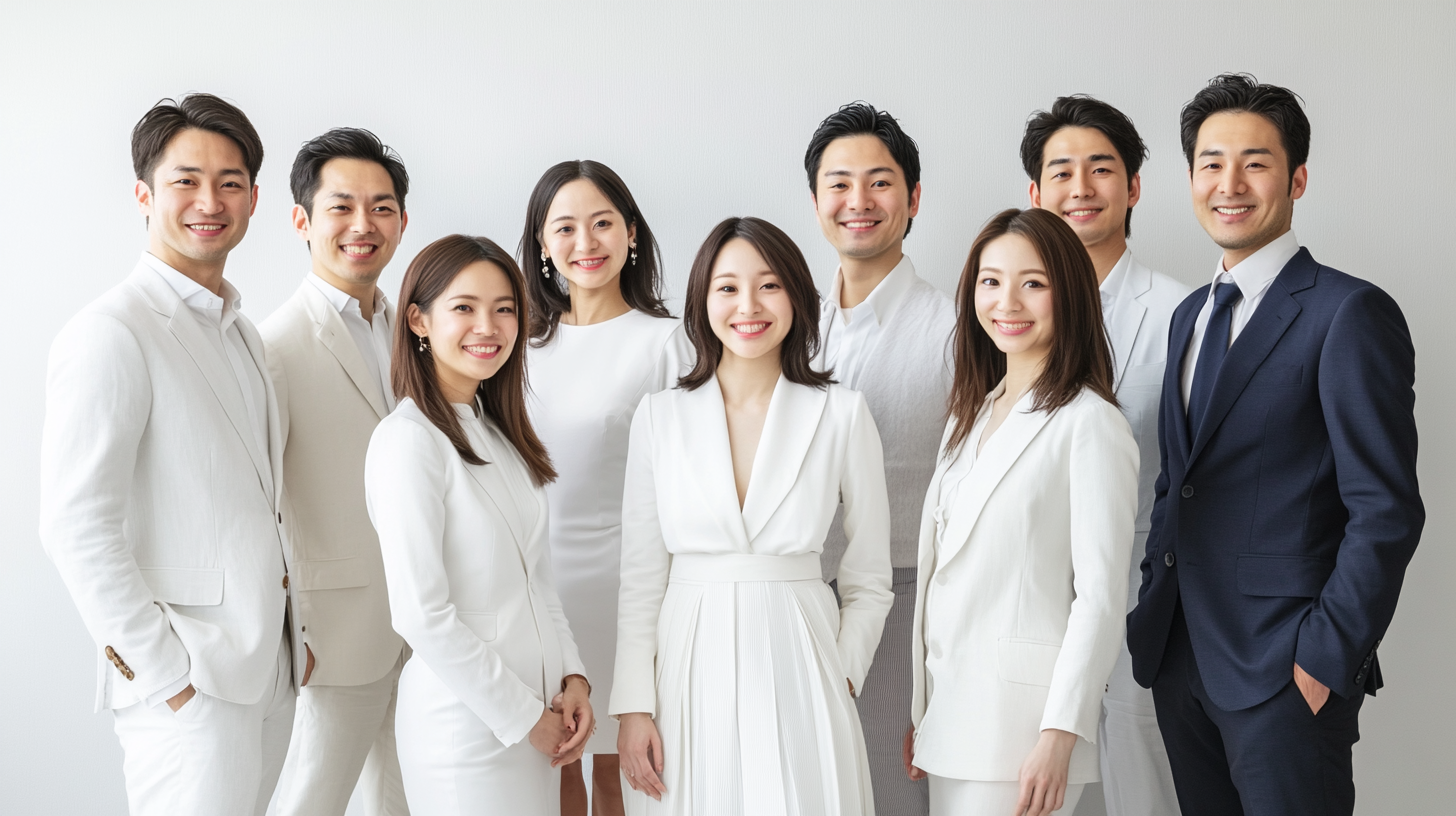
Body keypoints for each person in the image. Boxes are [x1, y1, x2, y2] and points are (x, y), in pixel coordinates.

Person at [1126, 73, 1424, 816]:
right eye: (1210, 163)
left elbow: (1385, 509)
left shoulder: (1347, 312)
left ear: (1296, 178)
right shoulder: (1189, 314)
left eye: (1255, 163)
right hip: (1180, 657)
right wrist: (1149, 613)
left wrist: (1325, 656)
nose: (1229, 183)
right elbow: (1179, 482)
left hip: (1285, 673)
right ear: (1191, 177)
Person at [39, 94, 308, 816]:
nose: (208, 201)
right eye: (185, 180)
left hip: (270, 676)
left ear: (254, 198)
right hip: (188, 691)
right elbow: (74, 525)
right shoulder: (111, 331)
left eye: (229, 182)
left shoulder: (247, 334)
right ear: (144, 195)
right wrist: (166, 677)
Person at [612, 217, 894, 815]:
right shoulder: (659, 417)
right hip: (685, 659)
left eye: (768, 286)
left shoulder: (841, 413)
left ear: (795, 295)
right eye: (727, 288)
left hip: (802, 653)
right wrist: (634, 706)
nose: (748, 306)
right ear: (703, 301)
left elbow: (870, 576)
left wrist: (839, 675)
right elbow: (640, 578)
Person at [906, 208, 1138, 816]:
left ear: (1071, 294)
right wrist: (921, 710)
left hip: (1026, 731)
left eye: (1033, 282)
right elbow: (943, 576)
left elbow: (1101, 597)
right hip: (953, 722)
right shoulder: (970, 415)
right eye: (990, 281)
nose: (1007, 300)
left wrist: (1060, 735)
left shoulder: (1091, 423)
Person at [365, 234, 594, 813]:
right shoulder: (407, 441)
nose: (487, 326)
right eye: (464, 308)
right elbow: (421, 614)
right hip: (465, 732)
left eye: (504, 308)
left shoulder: (499, 434)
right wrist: (524, 719)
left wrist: (574, 679)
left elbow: (538, 582)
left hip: (539, 720)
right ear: (418, 319)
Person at [1022, 95, 1189, 816]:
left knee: (1139, 796)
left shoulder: (1184, 314)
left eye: (1101, 169)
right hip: (1028, 607)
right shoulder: (1007, 315)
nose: (1080, 187)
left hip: (1139, 606)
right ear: (1034, 193)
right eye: (1061, 172)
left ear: (1135, 187)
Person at [518, 160, 692, 815]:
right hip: (537, 583)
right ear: (541, 244)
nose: (585, 242)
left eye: (601, 224)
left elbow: (685, 477)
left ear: (632, 234)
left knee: (623, 765)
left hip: (629, 583)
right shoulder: (519, 345)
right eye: (564, 227)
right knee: (555, 761)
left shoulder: (666, 343)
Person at [803, 101, 955, 816]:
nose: (857, 202)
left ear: (914, 197)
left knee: (895, 795)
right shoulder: (785, 324)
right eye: (838, 184)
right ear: (815, 201)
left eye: (879, 182)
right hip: (797, 592)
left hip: (908, 597)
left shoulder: (961, 327)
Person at [263, 127, 412, 816]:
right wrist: (294, 632)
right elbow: (259, 504)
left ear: (403, 221)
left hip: (421, 621)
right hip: (335, 631)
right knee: (310, 800)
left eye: (382, 207)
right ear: (302, 219)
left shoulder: (414, 332)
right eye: (342, 206)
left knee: (401, 799)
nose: (364, 224)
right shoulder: (273, 347)